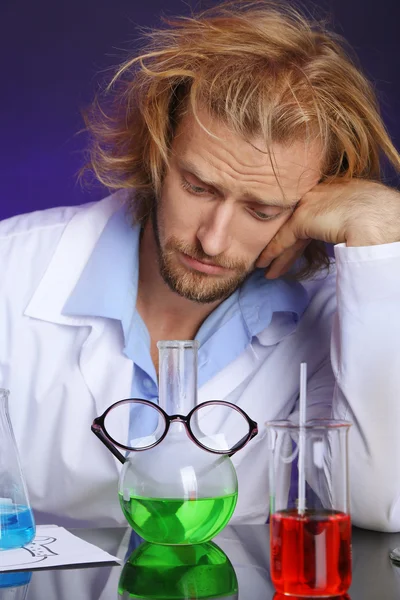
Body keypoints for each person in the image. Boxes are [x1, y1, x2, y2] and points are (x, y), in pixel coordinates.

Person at [1, 0, 400, 531]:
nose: (212, 241)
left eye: (263, 210)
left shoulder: (342, 311)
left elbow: (384, 506)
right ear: (158, 152)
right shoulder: (11, 268)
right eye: (198, 187)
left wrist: (377, 237)